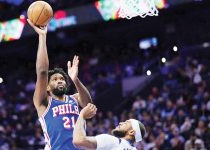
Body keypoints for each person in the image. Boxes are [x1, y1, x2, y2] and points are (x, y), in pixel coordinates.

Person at [27, 19, 92, 150]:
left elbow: (88, 104)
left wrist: (75, 79)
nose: (60, 80)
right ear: (47, 87)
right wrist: (42, 36)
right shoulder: (43, 102)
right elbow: (42, 72)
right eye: (55, 79)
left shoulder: (74, 98)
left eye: (62, 78)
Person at [73, 103, 146, 150]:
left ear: (131, 132)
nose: (121, 123)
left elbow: (78, 141)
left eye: (126, 123)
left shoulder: (112, 141)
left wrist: (82, 115)